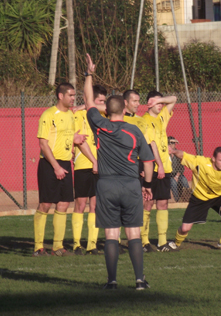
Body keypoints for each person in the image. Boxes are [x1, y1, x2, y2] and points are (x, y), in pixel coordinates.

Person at [84, 54, 154, 290]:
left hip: (106, 186)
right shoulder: (134, 131)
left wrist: (89, 74)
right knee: (133, 233)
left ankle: (112, 282)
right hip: (130, 185)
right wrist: (147, 185)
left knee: (111, 234)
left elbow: (88, 102)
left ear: (106, 111)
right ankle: (139, 280)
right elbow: (147, 161)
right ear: (125, 107)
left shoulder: (100, 125)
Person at [33, 82, 86, 257]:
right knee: (46, 204)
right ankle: (38, 247)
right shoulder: (48, 115)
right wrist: (55, 166)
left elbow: (67, 138)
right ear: (60, 96)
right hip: (50, 164)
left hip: (65, 163)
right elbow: (43, 144)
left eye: (74, 95)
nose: (73, 99)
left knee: (63, 204)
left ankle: (57, 247)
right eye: (70, 95)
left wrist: (75, 139)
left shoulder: (71, 115)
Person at [72, 85, 107, 255]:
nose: (102, 104)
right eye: (99, 100)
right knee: (80, 204)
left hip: (100, 166)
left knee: (95, 205)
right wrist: (94, 161)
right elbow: (80, 141)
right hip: (83, 165)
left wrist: (88, 105)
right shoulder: (77, 115)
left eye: (103, 101)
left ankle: (92, 245)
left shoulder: (102, 115)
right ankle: (77, 244)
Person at [141, 91, 178, 252]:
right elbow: (151, 145)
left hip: (165, 168)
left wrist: (161, 100)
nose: (161, 105)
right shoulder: (144, 121)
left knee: (163, 203)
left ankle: (162, 242)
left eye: (162, 102)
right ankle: (144, 241)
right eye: (157, 102)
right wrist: (159, 165)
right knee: (147, 203)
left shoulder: (162, 116)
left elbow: (174, 99)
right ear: (149, 102)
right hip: (152, 168)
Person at [168, 136, 190, 202]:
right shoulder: (165, 154)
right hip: (169, 175)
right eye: (171, 143)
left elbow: (181, 168)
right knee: (173, 182)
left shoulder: (177, 154)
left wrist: (177, 176)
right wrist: (174, 177)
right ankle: (178, 200)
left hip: (177, 174)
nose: (172, 145)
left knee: (184, 180)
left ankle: (187, 198)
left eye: (174, 143)